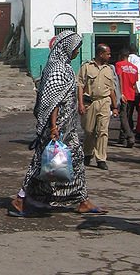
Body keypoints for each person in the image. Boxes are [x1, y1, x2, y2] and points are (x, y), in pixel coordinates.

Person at [9, 31, 106, 217]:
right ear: (66, 48)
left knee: (75, 160)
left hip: (67, 127)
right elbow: (53, 101)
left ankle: (82, 200)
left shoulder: (64, 67)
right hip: (56, 128)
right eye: (76, 48)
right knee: (41, 163)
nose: (77, 51)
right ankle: (20, 199)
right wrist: (53, 127)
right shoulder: (57, 70)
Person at [77, 44, 119, 170]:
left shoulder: (109, 69)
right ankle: (88, 153)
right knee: (89, 131)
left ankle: (101, 158)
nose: (110, 56)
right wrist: (80, 104)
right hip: (90, 102)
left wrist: (115, 106)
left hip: (104, 102)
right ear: (101, 54)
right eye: (108, 54)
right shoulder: (86, 67)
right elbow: (80, 86)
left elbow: (111, 89)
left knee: (102, 131)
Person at [115, 49, 138, 147]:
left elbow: (119, 78)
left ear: (121, 56)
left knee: (123, 117)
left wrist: (121, 93)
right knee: (128, 117)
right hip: (132, 95)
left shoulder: (119, 65)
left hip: (124, 95)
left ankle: (130, 136)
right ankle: (122, 138)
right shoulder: (134, 68)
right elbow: (134, 84)